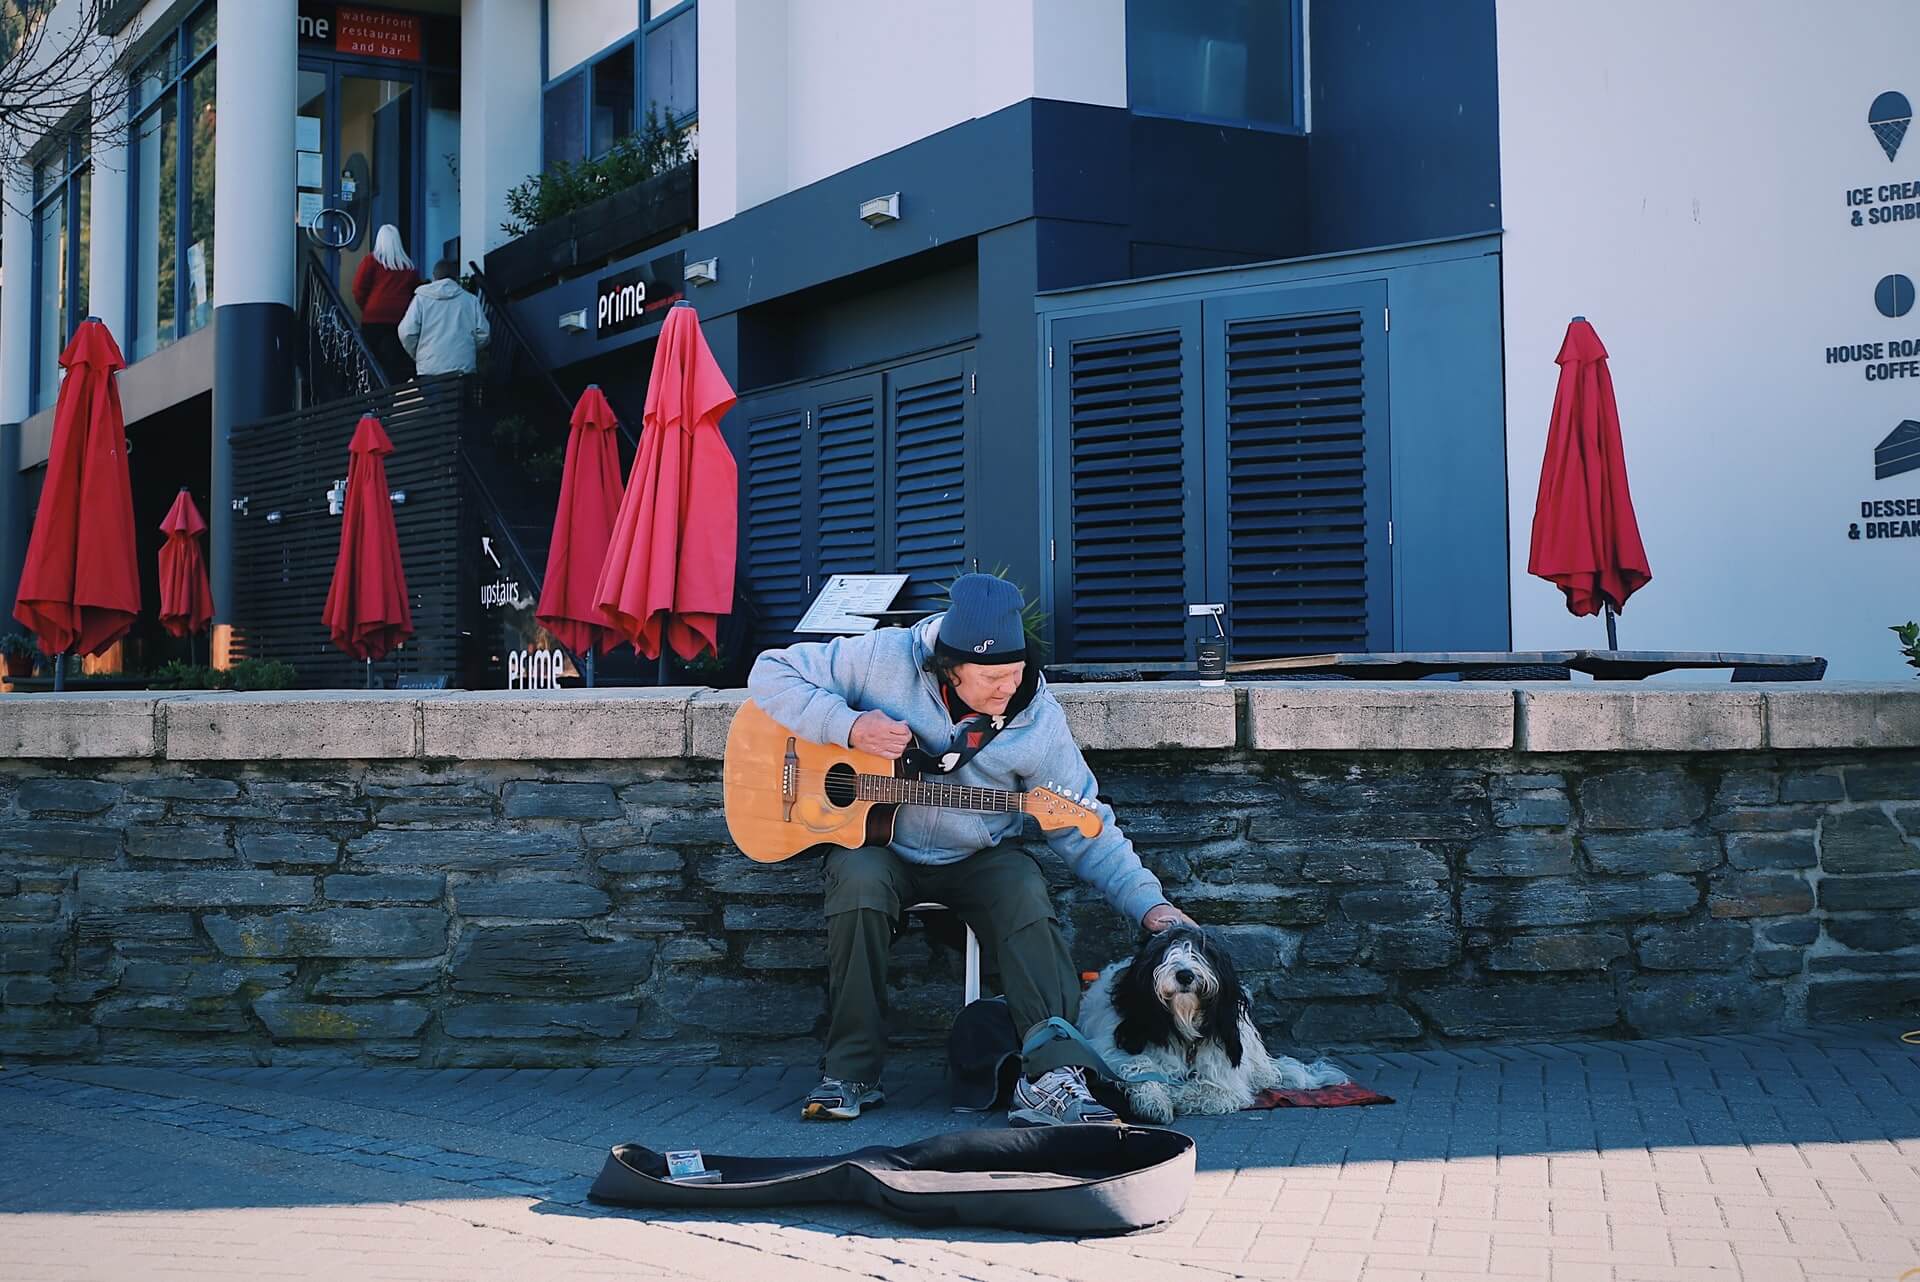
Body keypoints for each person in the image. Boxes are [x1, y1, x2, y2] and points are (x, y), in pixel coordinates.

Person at [747, 573, 1198, 1127]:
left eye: (1014, 673)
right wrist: (849, 725)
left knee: (1024, 889)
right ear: (947, 667)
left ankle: (1054, 1075)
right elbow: (770, 671)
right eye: (990, 677)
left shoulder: (1035, 715)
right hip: (880, 848)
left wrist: (1148, 903)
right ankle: (850, 1073)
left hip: (981, 857)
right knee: (858, 880)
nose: (1006, 687)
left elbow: (1086, 823)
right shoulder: (881, 658)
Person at [398, 259, 491, 377]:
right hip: (463, 369)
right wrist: (468, 348)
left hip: (430, 369)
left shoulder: (421, 299)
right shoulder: (470, 300)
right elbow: (484, 333)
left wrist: (419, 353)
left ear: (434, 277)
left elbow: (406, 333)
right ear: (456, 277)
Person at [352, 224, 420, 379]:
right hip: (400, 319)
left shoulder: (370, 261)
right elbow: (416, 293)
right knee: (396, 362)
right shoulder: (408, 267)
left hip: (374, 318)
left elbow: (358, 289)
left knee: (372, 361)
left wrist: (367, 307)